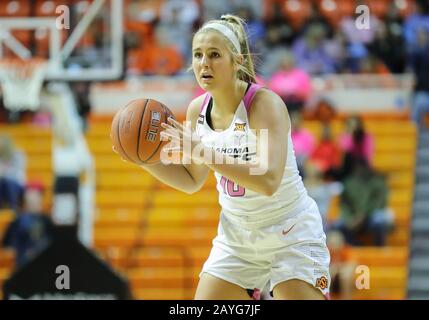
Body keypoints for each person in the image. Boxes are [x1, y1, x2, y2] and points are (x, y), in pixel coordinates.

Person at [136, 14, 330, 300]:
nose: (204, 63)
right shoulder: (197, 110)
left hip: (290, 232)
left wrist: (200, 150)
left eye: (214, 55)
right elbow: (191, 180)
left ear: (237, 61)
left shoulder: (263, 104)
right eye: (198, 55)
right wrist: (143, 159)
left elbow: (267, 180)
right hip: (237, 238)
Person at [2, 182, 54, 267]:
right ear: (25, 199)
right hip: (23, 263)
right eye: (31, 198)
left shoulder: (46, 220)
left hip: (45, 264)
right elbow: (8, 245)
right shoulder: (18, 221)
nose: (33, 200)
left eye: (36, 197)